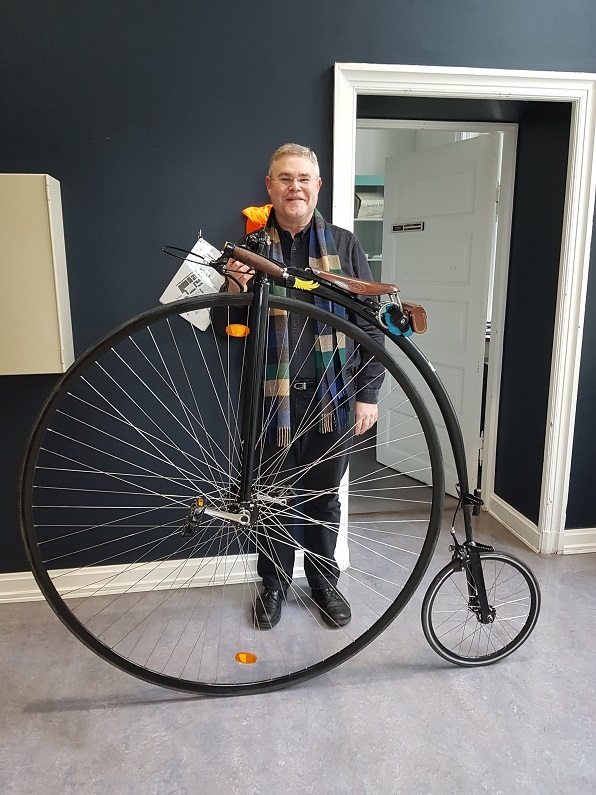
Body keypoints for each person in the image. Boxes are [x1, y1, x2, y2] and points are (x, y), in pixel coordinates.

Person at [223, 143, 384, 629]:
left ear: (317, 186)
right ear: (269, 187)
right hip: (270, 399)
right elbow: (226, 326)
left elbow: (370, 326)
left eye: (303, 178)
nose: (295, 187)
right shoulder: (249, 247)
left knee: (323, 497)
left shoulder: (345, 246)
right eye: (284, 178)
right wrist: (234, 286)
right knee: (271, 498)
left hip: (331, 397)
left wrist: (368, 395)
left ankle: (323, 583)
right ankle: (273, 585)